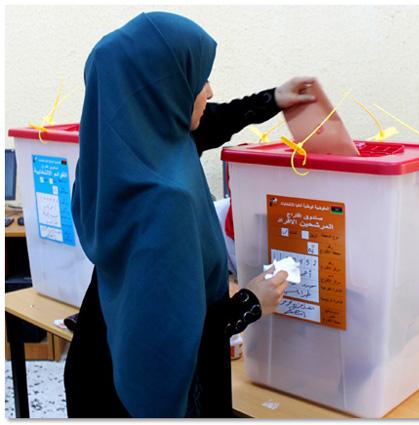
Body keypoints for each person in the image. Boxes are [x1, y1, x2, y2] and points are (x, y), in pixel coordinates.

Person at [64, 11, 316, 418]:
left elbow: (206, 124)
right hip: (137, 394)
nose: (210, 91)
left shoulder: (114, 154)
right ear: (164, 93)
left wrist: (273, 99)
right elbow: (170, 343)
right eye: (198, 79)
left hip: (98, 351)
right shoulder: (164, 202)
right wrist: (252, 301)